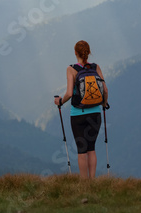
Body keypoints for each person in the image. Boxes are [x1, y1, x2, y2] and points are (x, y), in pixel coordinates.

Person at [54, 40, 108, 179]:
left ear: (75, 52)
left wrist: (60, 101)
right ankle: (92, 181)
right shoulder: (96, 67)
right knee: (91, 149)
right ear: (88, 52)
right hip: (95, 113)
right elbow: (105, 90)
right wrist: (104, 104)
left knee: (81, 150)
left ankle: (84, 184)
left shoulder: (71, 69)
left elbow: (70, 93)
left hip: (78, 114)